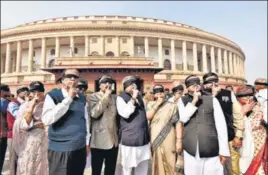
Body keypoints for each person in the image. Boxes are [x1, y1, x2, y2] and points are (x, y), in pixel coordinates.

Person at [41, 68, 90, 175]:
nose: (73, 78)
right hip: (60, 148)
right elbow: (47, 119)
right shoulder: (53, 95)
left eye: (76, 76)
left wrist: (87, 143)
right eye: (69, 76)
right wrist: (68, 99)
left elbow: (86, 120)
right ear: (62, 80)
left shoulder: (82, 98)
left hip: (79, 147)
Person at [179, 75, 230, 175]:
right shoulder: (183, 101)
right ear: (186, 87)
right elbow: (183, 119)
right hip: (191, 150)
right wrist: (194, 101)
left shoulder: (212, 100)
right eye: (191, 84)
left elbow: (221, 126)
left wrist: (224, 151)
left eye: (197, 84)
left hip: (211, 148)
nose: (195, 86)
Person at [202, 72, 244, 175]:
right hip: (210, 141)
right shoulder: (200, 97)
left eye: (215, 81)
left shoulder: (228, 94)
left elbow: (238, 115)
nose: (212, 84)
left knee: (233, 169)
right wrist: (212, 96)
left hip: (229, 138)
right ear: (204, 84)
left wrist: (238, 135)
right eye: (209, 82)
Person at [115, 76, 150, 175]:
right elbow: (125, 113)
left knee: (142, 166)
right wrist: (133, 98)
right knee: (127, 168)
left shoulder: (141, 98)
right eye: (131, 84)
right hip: (129, 140)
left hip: (143, 139)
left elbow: (144, 116)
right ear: (125, 86)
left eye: (135, 83)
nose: (134, 85)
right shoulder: (121, 98)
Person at [12, 81, 48, 175]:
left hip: (46, 140)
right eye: (33, 91)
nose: (36, 94)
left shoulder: (49, 104)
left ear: (43, 92)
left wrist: (43, 124)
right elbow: (23, 124)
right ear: (30, 92)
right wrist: (31, 106)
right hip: (29, 141)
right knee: (28, 165)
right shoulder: (25, 105)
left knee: (43, 166)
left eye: (39, 91)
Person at [146, 84, 183, 175]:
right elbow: (148, 117)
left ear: (164, 93)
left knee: (171, 161)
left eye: (161, 92)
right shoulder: (151, 104)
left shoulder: (172, 106)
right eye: (156, 92)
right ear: (153, 94)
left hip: (169, 137)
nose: (159, 94)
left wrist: (179, 140)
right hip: (155, 138)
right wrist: (157, 104)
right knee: (157, 162)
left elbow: (178, 123)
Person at [88, 75, 118, 175]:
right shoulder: (92, 97)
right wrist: (105, 96)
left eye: (110, 82)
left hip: (113, 139)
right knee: (96, 170)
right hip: (98, 140)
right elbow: (94, 113)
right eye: (105, 82)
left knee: (110, 170)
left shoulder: (115, 98)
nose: (107, 84)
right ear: (100, 85)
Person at [236, 85, 267, 175]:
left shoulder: (257, 106)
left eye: (250, 95)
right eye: (244, 95)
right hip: (241, 140)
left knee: (257, 162)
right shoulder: (234, 107)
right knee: (243, 162)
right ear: (238, 97)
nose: (248, 98)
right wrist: (242, 112)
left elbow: (258, 123)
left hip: (258, 139)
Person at [7, 86, 29, 175]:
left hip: (25, 135)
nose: (27, 94)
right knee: (14, 159)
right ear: (19, 94)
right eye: (25, 92)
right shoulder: (13, 103)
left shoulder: (26, 103)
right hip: (13, 134)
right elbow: (18, 116)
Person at [0, 84, 10, 173]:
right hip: (2, 133)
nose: (9, 93)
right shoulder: (4, 102)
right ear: (2, 92)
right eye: (7, 91)